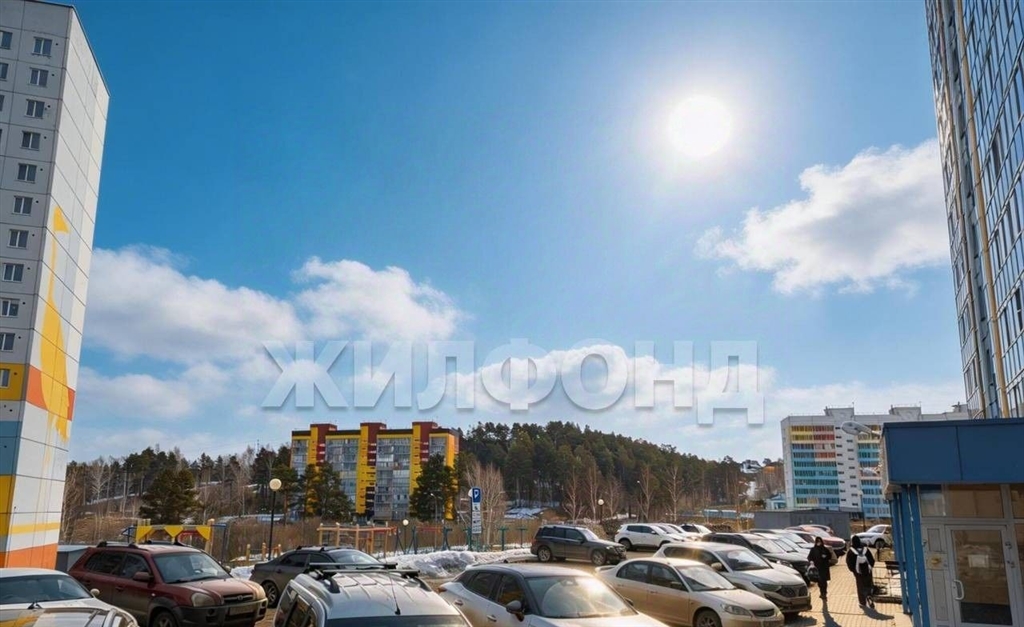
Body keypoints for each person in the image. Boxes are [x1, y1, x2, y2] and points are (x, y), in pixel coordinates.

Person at [846, 535, 876, 609]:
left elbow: (849, 562)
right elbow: (871, 559)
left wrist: (853, 571)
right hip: (868, 571)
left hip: (858, 572)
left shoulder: (851, 551)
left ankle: (862, 602)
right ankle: (869, 596)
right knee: (869, 584)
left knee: (860, 586)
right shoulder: (866, 549)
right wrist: (870, 567)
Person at [807, 537, 835, 602]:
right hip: (817, 568)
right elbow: (810, 557)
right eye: (817, 541)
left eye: (820, 541)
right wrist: (811, 561)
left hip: (824, 567)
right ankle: (822, 592)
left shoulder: (825, 549)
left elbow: (829, 556)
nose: (819, 543)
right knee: (820, 582)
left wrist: (826, 556)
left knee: (824, 581)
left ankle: (824, 592)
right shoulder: (813, 549)